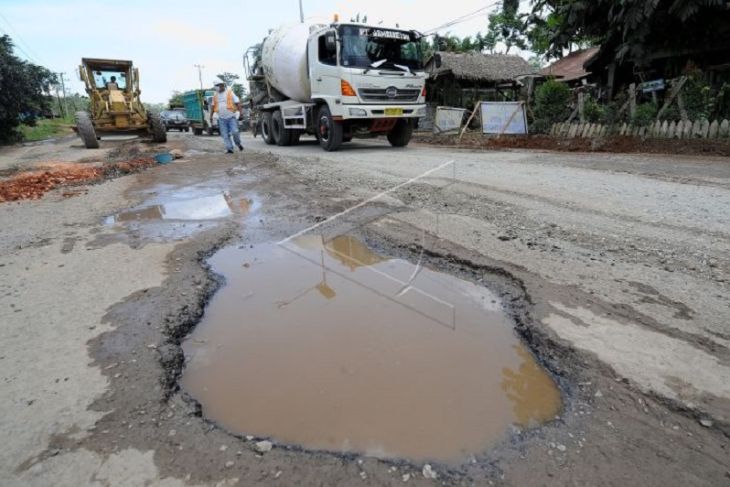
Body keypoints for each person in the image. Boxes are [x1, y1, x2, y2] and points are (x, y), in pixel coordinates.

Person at [212, 81, 243, 153]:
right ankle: (229, 148)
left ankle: (238, 143)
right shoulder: (215, 95)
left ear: (222, 85)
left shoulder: (229, 92)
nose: (216, 87)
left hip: (231, 117)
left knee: (235, 132)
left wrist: (241, 113)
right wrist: (211, 116)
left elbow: (238, 103)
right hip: (221, 118)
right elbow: (213, 106)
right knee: (225, 135)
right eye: (215, 86)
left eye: (218, 85)